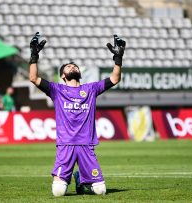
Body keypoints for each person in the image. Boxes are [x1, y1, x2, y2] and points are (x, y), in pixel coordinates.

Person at [29, 32, 125, 196]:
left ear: (79, 72)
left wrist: (118, 60)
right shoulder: (57, 90)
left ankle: (80, 179)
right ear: (62, 75)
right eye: (68, 66)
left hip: (86, 144)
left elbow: (115, 79)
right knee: (58, 193)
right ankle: (76, 177)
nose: (72, 67)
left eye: (75, 66)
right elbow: (33, 78)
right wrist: (34, 55)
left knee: (101, 191)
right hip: (65, 145)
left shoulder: (91, 89)